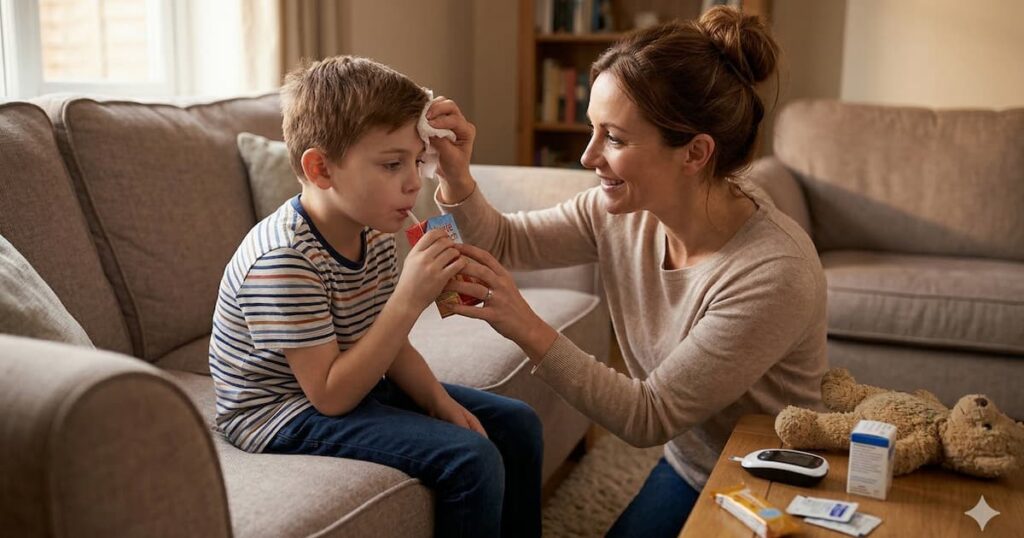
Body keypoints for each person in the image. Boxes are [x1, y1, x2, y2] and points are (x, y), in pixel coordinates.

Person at [423, 7, 827, 537]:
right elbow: (504, 240)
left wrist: (523, 323)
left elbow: (648, 416)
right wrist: (456, 176)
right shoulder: (623, 213)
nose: (589, 156)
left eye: (613, 137)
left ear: (696, 153)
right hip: (690, 464)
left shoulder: (772, 273)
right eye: (593, 129)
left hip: (768, 481)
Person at [208, 55, 542, 538]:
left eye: (415, 160)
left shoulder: (374, 231)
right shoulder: (283, 258)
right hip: (281, 412)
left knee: (517, 424)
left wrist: (437, 401)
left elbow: (390, 346)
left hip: (351, 378)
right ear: (321, 168)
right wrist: (408, 299)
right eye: (391, 164)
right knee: (470, 459)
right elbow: (329, 396)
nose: (412, 181)